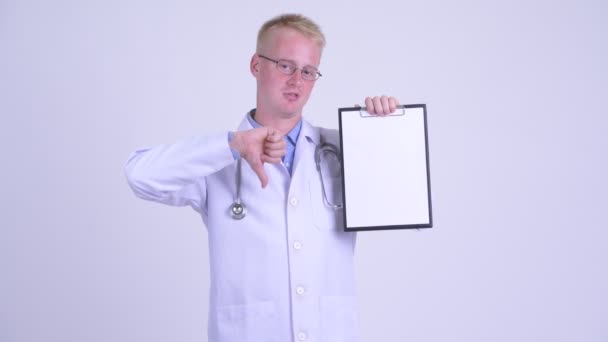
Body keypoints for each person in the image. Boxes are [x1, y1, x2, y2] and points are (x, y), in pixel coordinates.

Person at [125, 13, 398, 342]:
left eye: (308, 71)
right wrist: (232, 145)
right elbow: (139, 175)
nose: (297, 80)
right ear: (256, 65)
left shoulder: (342, 151)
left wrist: (385, 134)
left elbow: (404, 205)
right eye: (285, 65)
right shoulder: (218, 159)